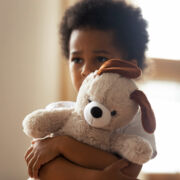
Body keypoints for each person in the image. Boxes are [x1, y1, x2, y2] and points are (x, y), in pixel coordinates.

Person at [24, 0, 156, 179]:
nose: (86, 70)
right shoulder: (58, 112)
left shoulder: (136, 120)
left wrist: (62, 145)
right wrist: (94, 176)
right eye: (77, 59)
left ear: (128, 67)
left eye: (101, 58)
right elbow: (41, 170)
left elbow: (127, 172)